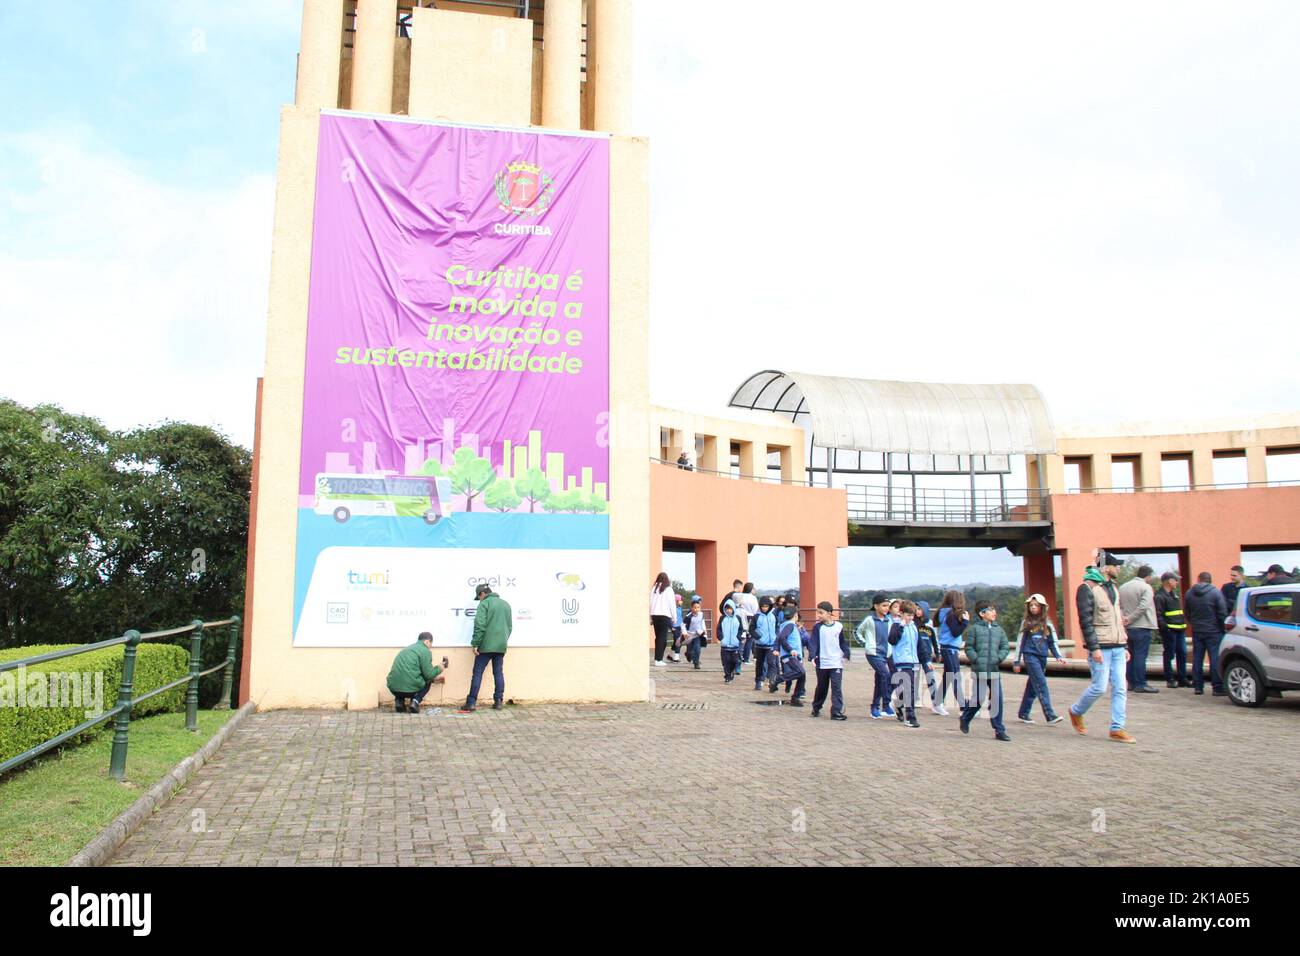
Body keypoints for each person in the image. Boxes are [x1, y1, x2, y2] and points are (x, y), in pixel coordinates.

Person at [1067, 551, 1135, 743]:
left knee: (1121, 687)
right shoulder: (1086, 588)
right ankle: (1076, 711)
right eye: (1116, 565)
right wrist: (1094, 648)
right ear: (1106, 568)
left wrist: (1125, 644)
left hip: (1118, 645)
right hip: (1101, 646)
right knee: (1099, 687)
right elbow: (1086, 621)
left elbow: (1117, 619)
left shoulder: (1114, 587)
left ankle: (1117, 728)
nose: (1119, 568)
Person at [959, 601, 1011, 741]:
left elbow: (1005, 646)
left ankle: (999, 730)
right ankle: (965, 717)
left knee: (996, 700)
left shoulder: (999, 630)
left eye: (994, 610)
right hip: (979, 669)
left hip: (994, 670)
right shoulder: (974, 629)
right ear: (982, 614)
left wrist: (999, 658)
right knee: (978, 699)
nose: (994, 613)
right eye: (990, 610)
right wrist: (976, 659)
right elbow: (968, 647)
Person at [1013, 594, 1064, 724]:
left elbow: (1052, 641)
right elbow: (1020, 642)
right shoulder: (1026, 623)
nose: (1033, 608)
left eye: (1036, 605)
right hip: (1030, 656)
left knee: (1033, 685)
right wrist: (1017, 661)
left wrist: (1058, 656)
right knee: (1041, 684)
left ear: (1042, 607)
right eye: (1031, 605)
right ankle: (1049, 714)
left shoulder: (1048, 623)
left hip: (1042, 657)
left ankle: (1023, 713)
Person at [461, 583, 511, 713]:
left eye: (479, 596)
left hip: (485, 646)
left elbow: (480, 625)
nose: (480, 599)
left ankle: (471, 703)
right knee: (498, 673)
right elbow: (509, 627)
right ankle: (499, 702)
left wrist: (475, 643)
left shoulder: (484, 604)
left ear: (482, 593)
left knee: (477, 673)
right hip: (500, 646)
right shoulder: (505, 604)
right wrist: (502, 641)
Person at [1184, 571, 1228, 697]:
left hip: (1197, 630)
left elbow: (1187, 612)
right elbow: (1222, 612)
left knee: (1197, 659)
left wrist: (1193, 623)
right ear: (1210, 580)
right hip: (1214, 631)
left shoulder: (1189, 593)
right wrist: (1222, 627)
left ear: (1198, 580)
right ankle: (1217, 687)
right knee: (1215, 659)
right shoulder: (1215, 593)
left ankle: (1198, 686)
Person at [1119, 564, 1159, 694]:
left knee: (1130, 656)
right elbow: (1143, 607)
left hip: (1127, 628)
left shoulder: (1123, 587)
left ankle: (1130, 682)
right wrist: (1130, 618)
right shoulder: (1146, 587)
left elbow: (1118, 605)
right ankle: (1140, 684)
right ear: (1148, 576)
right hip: (1142, 626)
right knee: (1141, 656)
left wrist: (1124, 619)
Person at [386, 631, 448, 714]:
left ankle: (399, 702)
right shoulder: (425, 651)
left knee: (401, 678)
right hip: (410, 689)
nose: (430, 647)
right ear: (427, 641)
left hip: (393, 687)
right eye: (430, 644)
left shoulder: (407, 649)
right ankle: (415, 702)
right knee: (427, 681)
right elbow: (428, 675)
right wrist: (440, 668)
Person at [856, 592, 895, 719]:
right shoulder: (869, 620)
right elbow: (857, 631)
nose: (886, 608)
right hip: (873, 654)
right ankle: (886, 704)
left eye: (887, 606)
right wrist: (866, 644)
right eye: (884, 605)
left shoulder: (890, 620)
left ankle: (874, 707)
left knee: (879, 680)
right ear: (876, 606)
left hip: (886, 654)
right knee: (885, 674)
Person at [810, 601, 850, 720]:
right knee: (822, 686)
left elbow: (842, 641)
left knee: (836, 687)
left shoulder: (839, 626)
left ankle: (836, 711)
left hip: (836, 661)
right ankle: (816, 706)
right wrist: (812, 655)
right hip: (822, 662)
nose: (819, 615)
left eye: (821, 613)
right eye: (818, 613)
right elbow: (814, 642)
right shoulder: (818, 627)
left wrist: (846, 653)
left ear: (829, 613)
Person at [933, 590, 970, 711]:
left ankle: (938, 702)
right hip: (950, 648)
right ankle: (963, 706)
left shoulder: (943, 612)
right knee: (955, 675)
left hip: (947, 647)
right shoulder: (951, 614)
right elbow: (955, 632)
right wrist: (965, 622)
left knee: (948, 676)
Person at [888, 599, 922, 728]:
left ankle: (898, 704)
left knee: (910, 689)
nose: (910, 618)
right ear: (901, 613)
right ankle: (910, 717)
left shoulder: (914, 627)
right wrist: (901, 626)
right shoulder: (896, 625)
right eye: (908, 615)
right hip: (901, 661)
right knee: (909, 688)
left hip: (913, 661)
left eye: (912, 615)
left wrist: (925, 660)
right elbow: (892, 640)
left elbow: (919, 645)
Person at [1155, 572, 1189, 688]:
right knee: (1169, 654)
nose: (1177, 583)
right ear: (1169, 581)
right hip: (1170, 631)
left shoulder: (1174, 595)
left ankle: (1182, 678)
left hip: (1179, 630)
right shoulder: (1160, 596)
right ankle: (1169, 679)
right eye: (1175, 580)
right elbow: (1158, 615)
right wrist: (1165, 627)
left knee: (1182, 653)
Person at [914, 601, 944, 715]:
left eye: (920, 609)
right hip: (915, 656)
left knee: (930, 678)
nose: (918, 611)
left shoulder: (930, 624)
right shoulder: (912, 623)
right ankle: (915, 699)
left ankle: (936, 703)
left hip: (927, 656)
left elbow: (935, 640)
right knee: (915, 679)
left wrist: (937, 653)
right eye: (916, 609)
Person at [773, 606, 807, 706]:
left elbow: (778, 638)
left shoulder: (784, 625)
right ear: (795, 615)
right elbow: (782, 638)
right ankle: (778, 679)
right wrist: (790, 649)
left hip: (791, 655)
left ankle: (796, 697)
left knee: (802, 675)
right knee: (800, 671)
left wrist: (776, 648)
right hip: (790, 655)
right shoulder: (790, 625)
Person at [649, 572, 675, 667]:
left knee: (658, 638)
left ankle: (658, 658)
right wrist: (674, 617)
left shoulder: (653, 589)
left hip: (655, 615)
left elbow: (650, 603)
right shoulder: (668, 589)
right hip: (664, 615)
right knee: (662, 638)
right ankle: (658, 660)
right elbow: (672, 605)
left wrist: (650, 617)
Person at [752, 596, 779, 690]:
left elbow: (777, 628)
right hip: (760, 645)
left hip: (771, 644)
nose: (764, 608)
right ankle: (759, 681)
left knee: (772, 663)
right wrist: (758, 636)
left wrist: (776, 637)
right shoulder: (756, 617)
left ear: (770, 606)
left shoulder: (773, 616)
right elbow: (751, 629)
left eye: (766, 606)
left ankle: (772, 681)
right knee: (760, 664)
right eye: (763, 606)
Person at [716, 599, 742, 682]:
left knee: (735, 661)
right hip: (725, 645)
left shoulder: (738, 618)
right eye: (727, 609)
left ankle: (731, 671)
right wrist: (721, 638)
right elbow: (719, 629)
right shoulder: (722, 618)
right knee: (726, 661)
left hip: (735, 645)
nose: (728, 610)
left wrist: (738, 638)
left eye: (730, 609)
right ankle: (727, 675)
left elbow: (740, 629)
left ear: (733, 609)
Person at [737, 582, 760, 668]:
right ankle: (746, 658)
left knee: (741, 636)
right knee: (750, 638)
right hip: (750, 617)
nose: (755, 590)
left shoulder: (740, 596)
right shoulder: (753, 598)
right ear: (751, 589)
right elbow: (755, 609)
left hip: (740, 616)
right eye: (754, 588)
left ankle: (740, 655)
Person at [684, 597, 707, 669]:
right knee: (690, 652)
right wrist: (684, 633)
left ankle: (696, 663)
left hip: (697, 635)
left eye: (698, 607)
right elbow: (683, 625)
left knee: (697, 649)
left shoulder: (701, 614)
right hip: (689, 635)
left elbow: (702, 622)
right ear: (691, 608)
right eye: (695, 607)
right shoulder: (688, 616)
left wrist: (704, 630)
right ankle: (688, 654)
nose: (697, 609)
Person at [670, 592, 685, 662]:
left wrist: (683, 626)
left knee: (676, 641)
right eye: (680, 600)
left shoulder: (680, 608)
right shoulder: (673, 609)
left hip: (680, 626)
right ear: (676, 601)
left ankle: (670, 656)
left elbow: (681, 617)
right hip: (675, 627)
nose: (682, 602)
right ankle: (676, 657)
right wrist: (671, 627)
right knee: (678, 641)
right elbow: (670, 618)